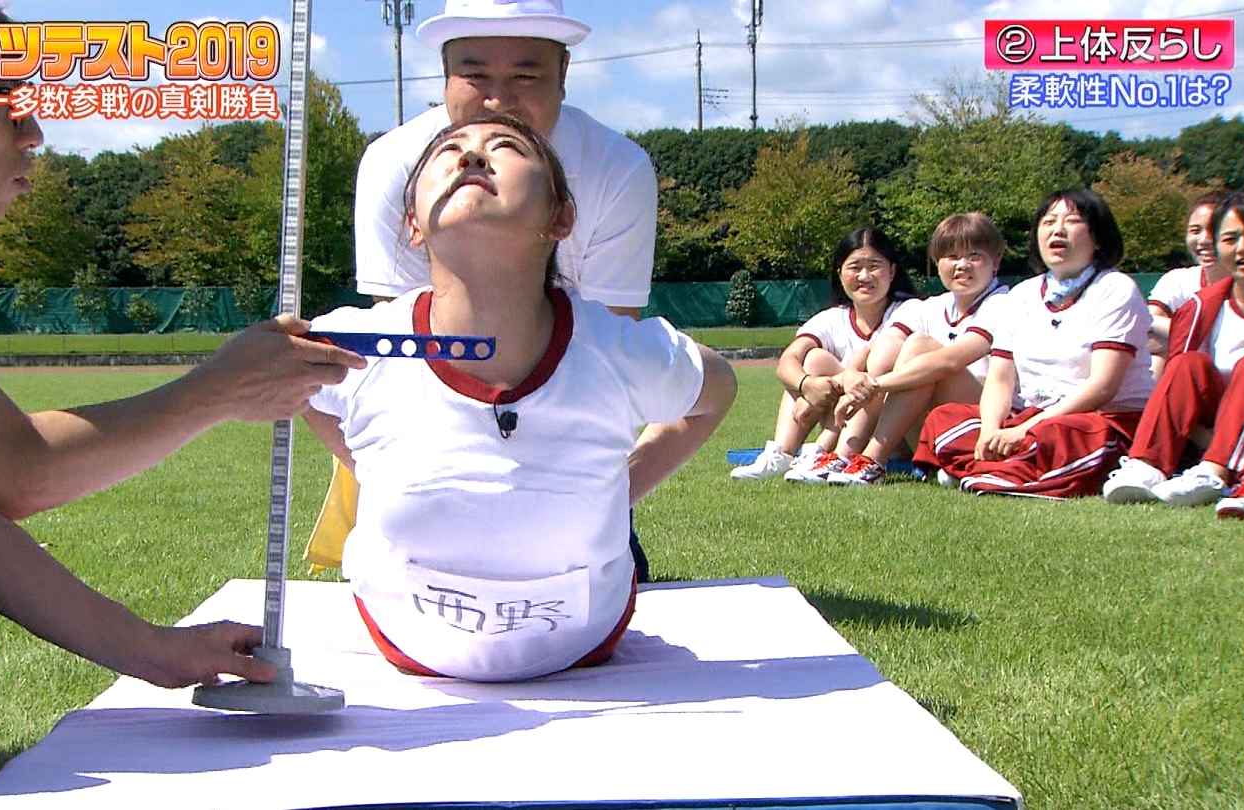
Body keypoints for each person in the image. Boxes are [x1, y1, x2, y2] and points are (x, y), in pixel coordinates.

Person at [0, 3, 364, 806]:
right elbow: (19, 472)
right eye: (6, 100)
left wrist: (156, 652)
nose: (35, 132)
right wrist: (217, 390)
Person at [302, 113, 736, 681]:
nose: (471, 157)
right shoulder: (356, 346)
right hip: (404, 639)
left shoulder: (616, 349)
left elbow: (717, 390)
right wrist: (369, 461)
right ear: (412, 225)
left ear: (562, 218)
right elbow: (297, 389)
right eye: (448, 150)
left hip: (584, 643)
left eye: (505, 147)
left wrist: (623, 486)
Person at [339, 0, 662, 581]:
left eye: (525, 76)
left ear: (563, 73)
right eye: (475, 75)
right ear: (445, 76)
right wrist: (399, 486)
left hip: (568, 441)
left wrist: (597, 497)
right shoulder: (395, 163)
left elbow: (610, 358)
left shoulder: (618, 168)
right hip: (429, 451)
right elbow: (396, 362)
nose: (497, 99)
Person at [914, 188, 1157, 498]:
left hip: (1099, 420)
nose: (1058, 230)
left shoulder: (1115, 289)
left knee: (1058, 435)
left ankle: (988, 469)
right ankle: (1001, 467)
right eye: (1049, 221)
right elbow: (1000, 379)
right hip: (1031, 416)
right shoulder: (1022, 295)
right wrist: (990, 430)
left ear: (1098, 238)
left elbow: (1102, 387)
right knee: (944, 419)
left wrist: (1024, 430)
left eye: (1072, 221)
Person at [1102, 191, 1244, 516]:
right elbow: (1180, 387)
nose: (1242, 248)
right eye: (1230, 239)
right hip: (1212, 434)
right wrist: (1218, 442)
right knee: (1187, 363)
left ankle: (1217, 472)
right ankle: (1146, 465)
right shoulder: (1200, 307)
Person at [824, 213, 1012, 485]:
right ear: (937, 263)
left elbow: (949, 362)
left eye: (974, 256)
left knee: (920, 348)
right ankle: (842, 455)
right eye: (952, 257)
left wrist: (874, 386)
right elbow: (881, 346)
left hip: (989, 423)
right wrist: (853, 376)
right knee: (892, 350)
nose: (962, 265)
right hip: (938, 421)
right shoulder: (934, 305)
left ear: (996, 261)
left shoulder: (1004, 303)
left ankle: (873, 459)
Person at [729, 227, 919, 483]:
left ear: (892, 271)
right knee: (814, 360)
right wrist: (807, 386)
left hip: (892, 432)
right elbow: (787, 361)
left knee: (870, 370)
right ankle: (782, 454)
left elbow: (876, 358)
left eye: (874, 266)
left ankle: (825, 451)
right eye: (855, 267)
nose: (864, 276)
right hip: (845, 423)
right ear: (840, 273)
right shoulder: (831, 318)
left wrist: (832, 385)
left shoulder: (910, 310)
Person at [1145, 190, 1231, 377]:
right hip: (1190, 379)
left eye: (1215, 230)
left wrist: (1180, 337)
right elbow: (1147, 331)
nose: (1204, 240)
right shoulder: (1178, 280)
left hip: (1236, 381)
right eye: (1195, 230)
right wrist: (1197, 339)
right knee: (1161, 357)